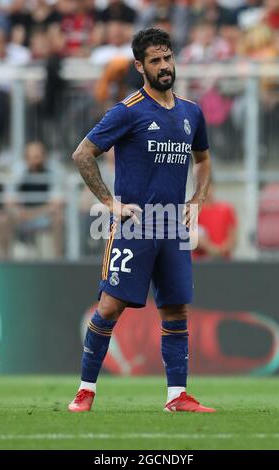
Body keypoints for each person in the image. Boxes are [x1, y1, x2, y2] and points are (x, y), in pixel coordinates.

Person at [69, 28, 215, 413]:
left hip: (174, 228)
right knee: (110, 308)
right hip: (135, 227)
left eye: (168, 58)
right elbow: (83, 154)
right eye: (155, 60)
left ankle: (176, 396)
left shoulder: (190, 112)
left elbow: (202, 159)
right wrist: (109, 203)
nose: (164, 66)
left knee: (176, 310)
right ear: (140, 66)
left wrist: (197, 199)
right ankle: (85, 391)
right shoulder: (128, 111)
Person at [192, 179, 237, 259]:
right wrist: (209, 248)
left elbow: (232, 238)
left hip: (223, 262)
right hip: (200, 263)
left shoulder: (226, 209)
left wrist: (219, 251)